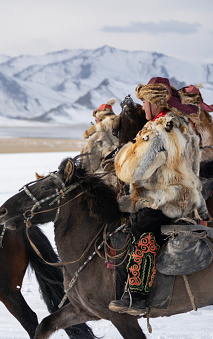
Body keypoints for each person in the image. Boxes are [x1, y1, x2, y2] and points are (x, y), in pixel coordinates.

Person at [108, 77, 209, 316]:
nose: (142, 107)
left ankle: (136, 295)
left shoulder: (158, 129)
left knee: (142, 228)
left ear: (154, 102)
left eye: (144, 102)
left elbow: (132, 170)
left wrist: (122, 155)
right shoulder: (183, 124)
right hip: (185, 198)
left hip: (163, 199)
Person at [81, 99, 119, 179]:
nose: (95, 124)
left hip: (104, 180)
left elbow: (88, 165)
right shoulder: (120, 130)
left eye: (96, 121)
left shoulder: (98, 136)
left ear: (101, 120)